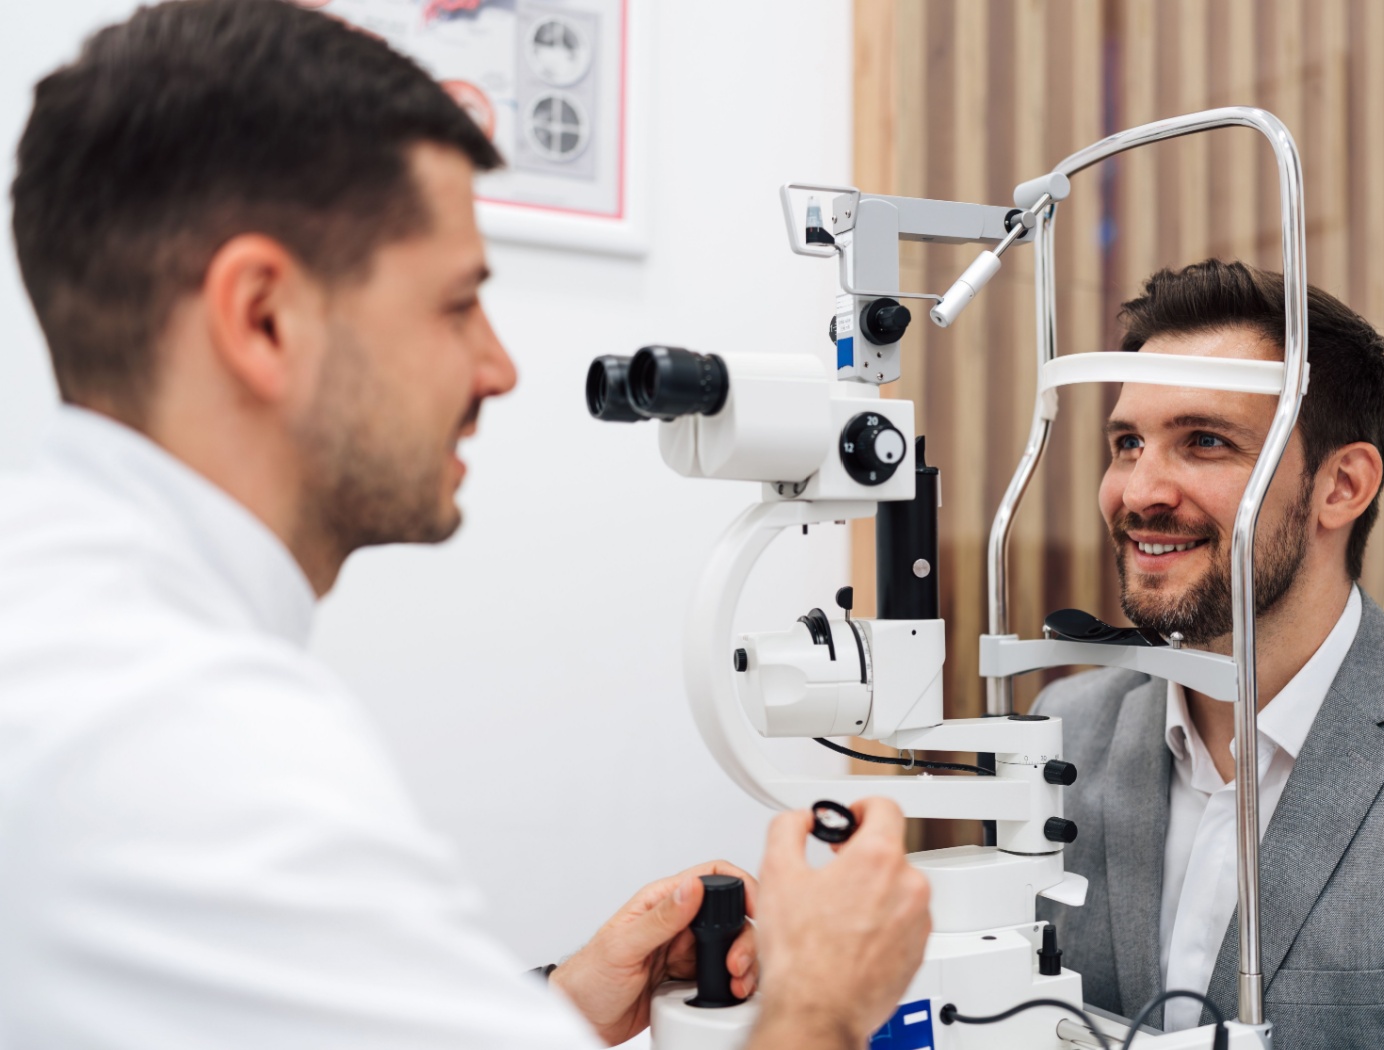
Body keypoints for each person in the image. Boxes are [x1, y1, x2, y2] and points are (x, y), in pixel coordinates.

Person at [0, 2, 931, 1047]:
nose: (497, 367)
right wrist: (829, 998)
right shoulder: (188, 742)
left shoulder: (64, 622)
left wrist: (549, 1013)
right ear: (263, 317)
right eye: (455, 305)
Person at [1034, 259, 1384, 1048]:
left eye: (1203, 442)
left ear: (1342, 486)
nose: (1138, 491)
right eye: (1128, 442)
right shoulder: (1061, 734)